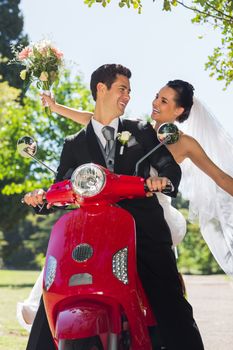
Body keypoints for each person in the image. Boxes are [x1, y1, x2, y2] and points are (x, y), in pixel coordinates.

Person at [23, 64, 204, 350]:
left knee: (171, 304)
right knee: (53, 299)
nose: (128, 96)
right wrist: (41, 197)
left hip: (141, 231)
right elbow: (61, 186)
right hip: (91, 232)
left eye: (129, 91)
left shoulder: (142, 131)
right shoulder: (73, 144)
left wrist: (165, 180)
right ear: (101, 89)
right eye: (122, 89)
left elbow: (166, 164)